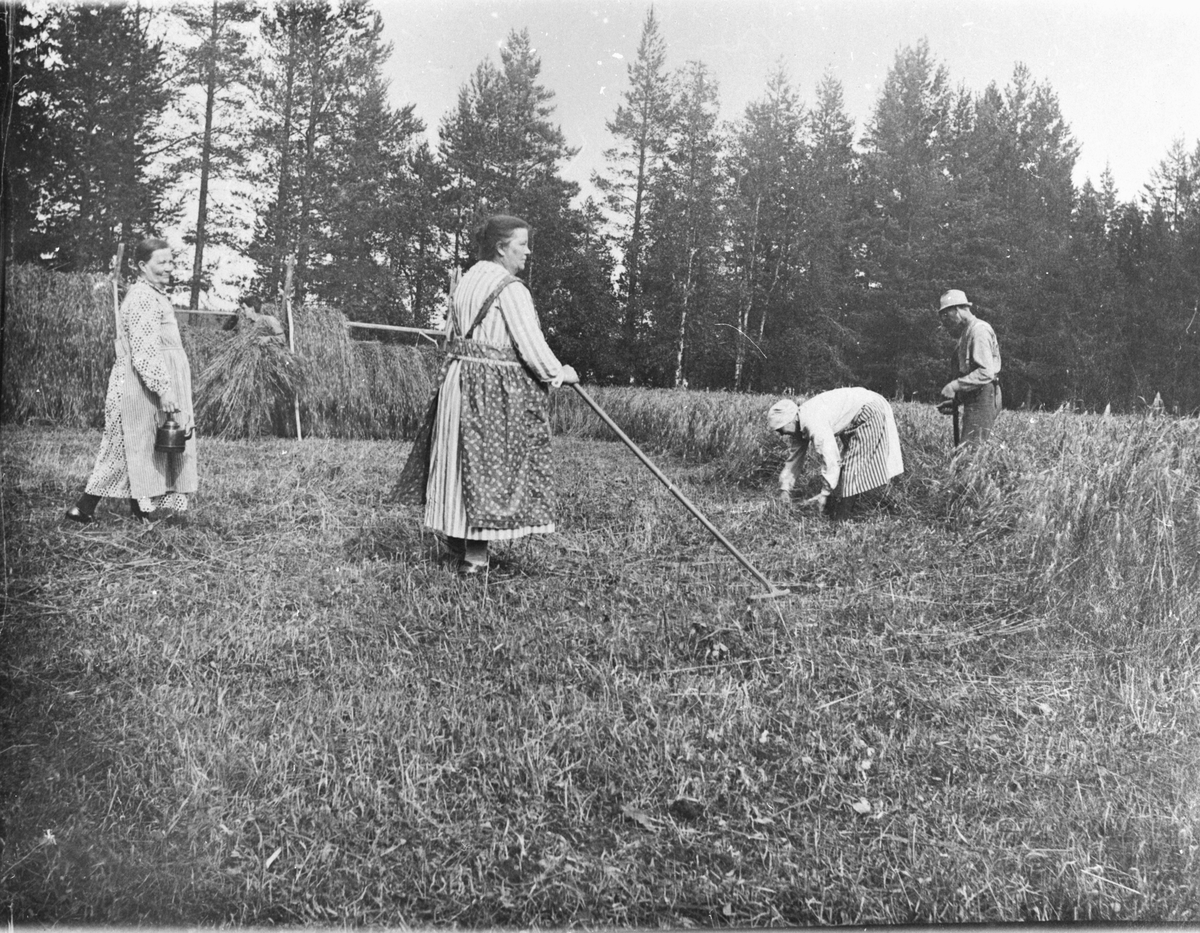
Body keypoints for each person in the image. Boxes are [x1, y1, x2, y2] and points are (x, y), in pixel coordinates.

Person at [396, 214, 579, 574]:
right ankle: (475, 556)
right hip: (490, 389)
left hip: (458, 380)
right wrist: (560, 373)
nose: (528, 252)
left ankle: (457, 539)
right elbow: (531, 346)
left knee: (457, 464)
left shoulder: (468, 279)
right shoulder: (510, 289)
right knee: (486, 467)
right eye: (522, 244)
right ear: (500, 248)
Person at [65, 237, 198, 526]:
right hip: (140, 386)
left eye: (170, 261)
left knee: (141, 447)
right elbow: (144, 350)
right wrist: (163, 390)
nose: (168, 268)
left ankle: (138, 510)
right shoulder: (141, 298)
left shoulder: (155, 295)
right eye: (161, 262)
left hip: (149, 386)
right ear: (141, 265)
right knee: (130, 446)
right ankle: (85, 507)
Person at [767, 387, 904, 514]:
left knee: (852, 466)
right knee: (847, 467)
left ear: (790, 420)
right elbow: (794, 459)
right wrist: (784, 489)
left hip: (870, 409)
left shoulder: (813, 422)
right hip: (858, 411)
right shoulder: (799, 423)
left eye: (780, 429)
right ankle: (834, 507)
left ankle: (842, 517)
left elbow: (831, 457)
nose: (781, 434)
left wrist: (824, 492)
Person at [937, 288, 1002, 446]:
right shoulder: (967, 333)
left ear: (958, 309)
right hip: (975, 396)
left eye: (947, 314)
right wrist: (957, 399)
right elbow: (970, 372)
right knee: (968, 450)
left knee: (971, 452)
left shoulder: (979, 330)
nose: (945, 320)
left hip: (984, 396)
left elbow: (985, 372)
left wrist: (954, 386)